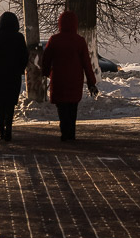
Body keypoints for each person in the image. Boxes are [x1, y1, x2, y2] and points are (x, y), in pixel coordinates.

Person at [38, 9, 99, 141]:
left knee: (62, 108)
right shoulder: (80, 41)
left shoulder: (54, 40)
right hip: (75, 80)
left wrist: (45, 73)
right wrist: (91, 82)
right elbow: (87, 64)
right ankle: (71, 132)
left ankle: (64, 132)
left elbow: (46, 60)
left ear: (60, 23)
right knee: (72, 107)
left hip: (59, 79)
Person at [0, 11, 30, 141]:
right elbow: (25, 56)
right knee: (10, 103)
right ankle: (9, 129)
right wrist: (19, 69)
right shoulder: (19, 37)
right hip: (13, 76)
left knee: (0, 103)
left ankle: (1, 129)